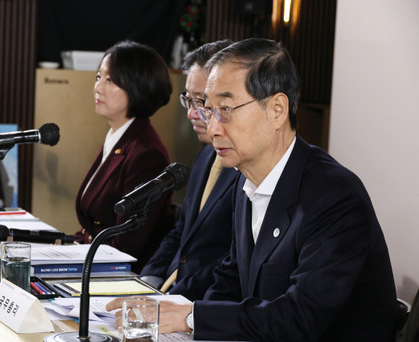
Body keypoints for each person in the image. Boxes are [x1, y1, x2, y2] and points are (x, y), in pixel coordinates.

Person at [107, 38, 398, 341]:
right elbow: (230, 282)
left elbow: (299, 318)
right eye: (208, 109)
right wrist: (178, 323)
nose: (213, 127)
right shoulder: (246, 182)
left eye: (226, 109)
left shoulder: (334, 196)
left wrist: (191, 318)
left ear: (277, 110)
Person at [139, 40, 239, 301]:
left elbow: (231, 259)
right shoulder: (206, 154)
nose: (192, 114)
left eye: (202, 101)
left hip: (203, 301)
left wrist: (173, 297)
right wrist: (148, 278)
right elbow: (181, 231)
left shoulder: (244, 164)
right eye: (189, 100)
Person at [74, 40, 174, 273]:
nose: (98, 87)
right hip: (94, 261)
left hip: (118, 275)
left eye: (110, 80)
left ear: (138, 86)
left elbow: (126, 246)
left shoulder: (147, 153)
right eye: (98, 77)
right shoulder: (119, 137)